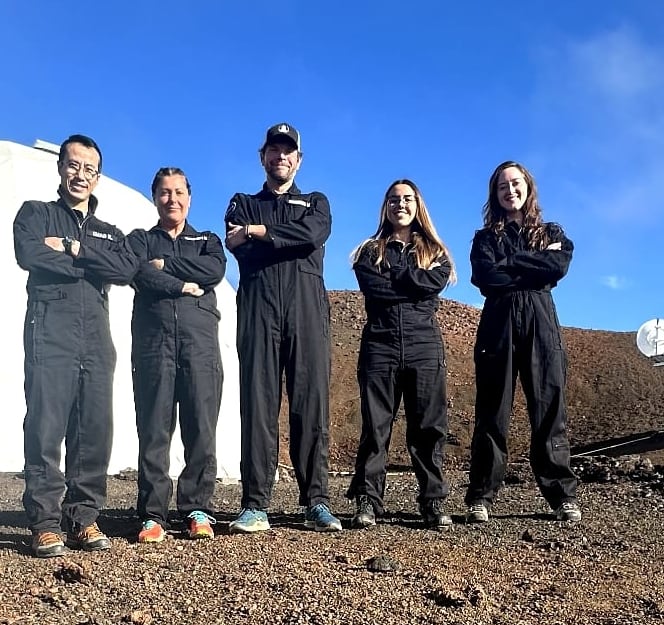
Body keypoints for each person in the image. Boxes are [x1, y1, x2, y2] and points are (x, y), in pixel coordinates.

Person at [13, 133, 138, 558]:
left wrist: (71, 248)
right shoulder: (36, 214)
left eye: (89, 169)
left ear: (98, 177)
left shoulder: (109, 231)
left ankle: (83, 517)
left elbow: (124, 268)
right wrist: (89, 261)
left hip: (96, 336)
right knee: (47, 425)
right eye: (73, 165)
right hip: (51, 328)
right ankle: (45, 523)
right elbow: (30, 254)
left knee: (93, 429)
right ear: (60, 167)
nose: (80, 175)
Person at [224, 122, 341, 533]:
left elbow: (312, 235)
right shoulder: (241, 201)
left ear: (298, 159)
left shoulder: (315, 202)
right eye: (274, 150)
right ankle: (255, 504)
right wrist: (271, 238)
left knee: (310, 404)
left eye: (288, 151)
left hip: (306, 310)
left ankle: (317, 501)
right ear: (263, 157)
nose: (281, 157)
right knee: (258, 405)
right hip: (259, 308)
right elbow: (235, 245)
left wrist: (260, 232)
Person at [464, 160, 581, 523]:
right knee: (492, 411)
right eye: (502, 186)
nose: (510, 190)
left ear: (528, 188)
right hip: (498, 321)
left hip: (540, 321)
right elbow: (486, 277)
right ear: (494, 194)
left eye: (515, 184)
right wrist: (534, 265)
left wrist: (513, 263)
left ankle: (561, 495)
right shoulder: (485, 239)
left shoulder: (550, 231)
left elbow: (557, 267)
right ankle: (482, 495)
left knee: (549, 408)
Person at [346, 180, 456, 531]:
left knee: (427, 427)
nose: (401, 204)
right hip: (380, 346)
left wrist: (398, 275)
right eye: (394, 199)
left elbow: (432, 284)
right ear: (385, 206)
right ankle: (367, 500)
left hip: (424, 346)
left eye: (407, 199)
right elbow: (374, 288)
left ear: (418, 205)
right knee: (376, 427)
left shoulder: (436, 251)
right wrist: (413, 282)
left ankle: (433, 501)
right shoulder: (368, 250)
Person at [126, 167, 226, 543]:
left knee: (201, 425)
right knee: (154, 427)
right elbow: (138, 273)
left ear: (190, 197)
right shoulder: (139, 240)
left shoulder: (207, 240)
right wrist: (185, 283)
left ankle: (197, 508)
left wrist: (165, 266)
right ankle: (153, 513)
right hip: (154, 344)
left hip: (199, 343)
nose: (173, 199)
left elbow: (213, 270)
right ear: (155, 198)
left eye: (179, 192)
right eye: (165, 192)